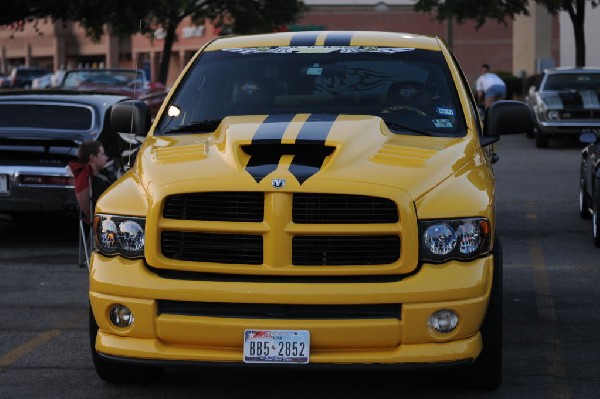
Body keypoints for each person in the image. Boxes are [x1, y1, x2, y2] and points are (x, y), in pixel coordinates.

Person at [68, 140, 111, 225]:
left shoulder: (84, 178)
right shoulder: (98, 184)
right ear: (92, 158)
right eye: (102, 154)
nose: (106, 158)